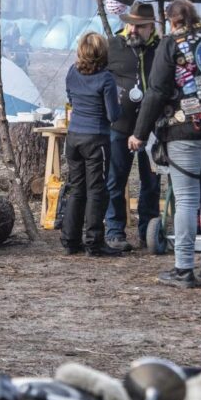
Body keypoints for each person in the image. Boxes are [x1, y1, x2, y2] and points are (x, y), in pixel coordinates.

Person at [130, 0, 201, 288]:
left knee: (188, 200)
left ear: (172, 20)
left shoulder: (171, 43)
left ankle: (183, 269)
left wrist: (139, 133)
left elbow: (156, 91)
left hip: (185, 129)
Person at [104, 1, 162, 253]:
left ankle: (148, 231)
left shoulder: (162, 49)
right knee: (115, 179)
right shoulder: (112, 46)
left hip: (154, 129)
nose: (134, 31)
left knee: (151, 181)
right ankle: (114, 230)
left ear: (152, 28)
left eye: (141, 27)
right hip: (119, 125)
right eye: (131, 25)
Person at [63, 32, 122, 257]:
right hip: (96, 139)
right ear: (102, 53)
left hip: (74, 137)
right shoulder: (106, 79)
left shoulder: (71, 71)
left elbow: (70, 98)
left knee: (77, 188)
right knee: (97, 190)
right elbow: (113, 114)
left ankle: (70, 241)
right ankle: (94, 242)